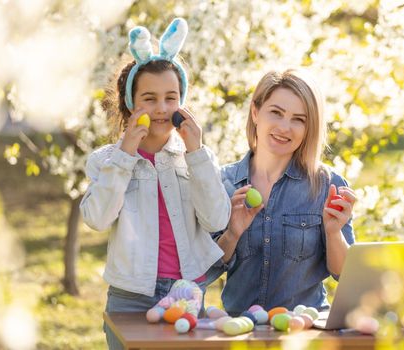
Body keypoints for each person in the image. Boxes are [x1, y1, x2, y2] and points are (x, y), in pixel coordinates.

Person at [79, 18, 230, 348]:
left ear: (182, 102)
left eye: (171, 98)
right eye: (149, 98)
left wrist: (197, 153)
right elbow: (96, 218)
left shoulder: (197, 157)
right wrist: (125, 156)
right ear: (132, 104)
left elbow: (217, 219)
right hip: (130, 298)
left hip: (186, 295)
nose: (162, 109)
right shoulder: (106, 160)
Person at [208, 69, 356, 315]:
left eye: (299, 119)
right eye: (276, 113)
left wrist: (333, 233)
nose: (285, 127)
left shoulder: (327, 185)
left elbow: (344, 274)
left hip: (302, 334)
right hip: (241, 332)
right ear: (256, 113)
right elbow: (207, 269)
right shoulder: (223, 183)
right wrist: (233, 233)